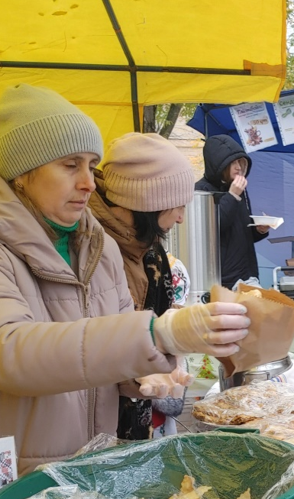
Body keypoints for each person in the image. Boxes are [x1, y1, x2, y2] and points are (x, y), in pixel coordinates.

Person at [0, 84, 250, 473]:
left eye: (92, 165)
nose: (89, 182)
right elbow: (4, 351)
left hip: (81, 472)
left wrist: (146, 370)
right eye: (70, 165)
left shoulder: (96, 246)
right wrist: (158, 334)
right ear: (21, 172)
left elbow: (104, 354)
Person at [88, 132, 198, 439]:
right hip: (96, 428)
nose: (180, 218)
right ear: (146, 202)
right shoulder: (89, 249)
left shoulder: (150, 249)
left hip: (144, 414)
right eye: (177, 206)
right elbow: (86, 347)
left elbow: (156, 324)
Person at [195, 134, 270, 288]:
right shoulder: (201, 190)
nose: (238, 167)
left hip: (248, 274)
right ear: (219, 164)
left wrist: (259, 230)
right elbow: (213, 228)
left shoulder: (239, 189)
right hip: (221, 280)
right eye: (232, 163)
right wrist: (232, 195)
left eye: (240, 162)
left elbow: (240, 232)